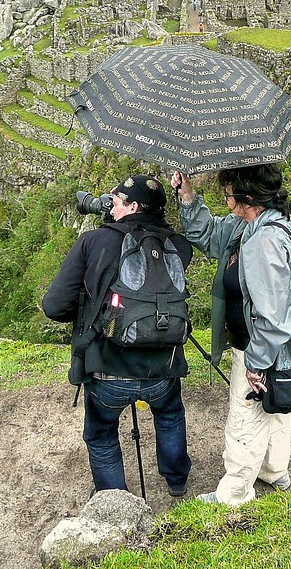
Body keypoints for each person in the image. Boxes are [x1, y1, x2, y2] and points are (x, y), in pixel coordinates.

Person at [42, 175, 194, 497]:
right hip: (163, 368)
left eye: (117, 200)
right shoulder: (178, 246)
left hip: (107, 367)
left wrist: (93, 310)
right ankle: (177, 482)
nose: (110, 205)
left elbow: (54, 306)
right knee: (169, 416)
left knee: (101, 435)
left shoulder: (94, 241)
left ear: (133, 206)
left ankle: (116, 504)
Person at [173, 164, 291, 505]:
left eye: (228, 190)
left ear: (243, 196)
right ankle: (273, 470)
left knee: (245, 412)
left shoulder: (264, 241)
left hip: (257, 344)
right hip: (270, 343)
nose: (225, 196)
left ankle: (234, 492)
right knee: (272, 406)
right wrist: (188, 197)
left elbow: (271, 315)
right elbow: (211, 237)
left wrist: (257, 362)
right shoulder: (254, 224)